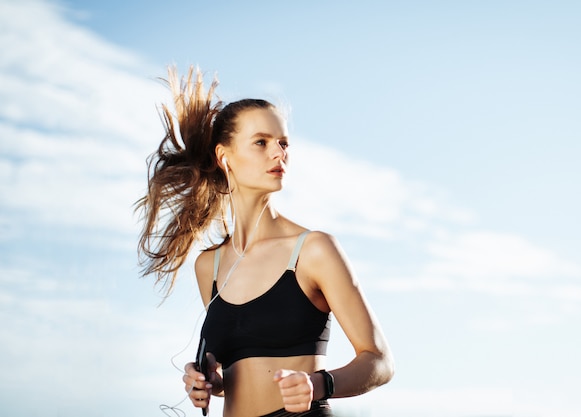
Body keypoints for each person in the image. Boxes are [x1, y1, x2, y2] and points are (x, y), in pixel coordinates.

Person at [136, 66, 394, 417]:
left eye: (283, 143)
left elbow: (379, 361)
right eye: (261, 142)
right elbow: (236, 372)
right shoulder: (208, 266)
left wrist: (318, 384)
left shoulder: (313, 250)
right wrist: (209, 379)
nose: (279, 153)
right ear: (224, 157)